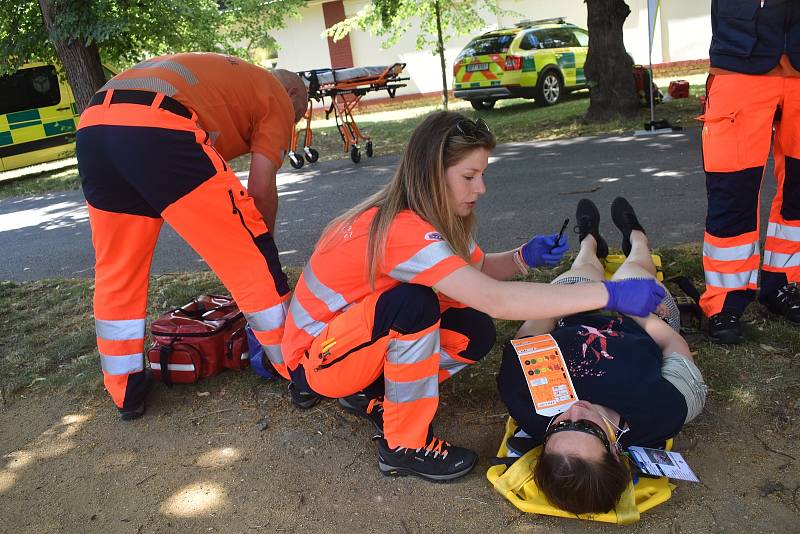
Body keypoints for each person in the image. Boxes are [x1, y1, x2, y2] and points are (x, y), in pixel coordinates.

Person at [280, 111, 668, 482]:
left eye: (482, 174)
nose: (481, 188)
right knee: (414, 306)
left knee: (473, 330)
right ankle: (402, 447)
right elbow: (496, 299)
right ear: (433, 174)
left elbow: (477, 274)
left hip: (346, 346)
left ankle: (371, 391)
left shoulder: (432, 217)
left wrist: (521, 257)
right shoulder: (404, 231)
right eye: (470, 175)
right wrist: (608, 294)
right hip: (316, 361)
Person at [77, 52, 308, 420]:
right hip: (157, 124)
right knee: (247, 251)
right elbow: (261, 188)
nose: (294, 123)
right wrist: (262, 242)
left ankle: (126, 391)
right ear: (294, 92)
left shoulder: (231, 78)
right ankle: (297, 368)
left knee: (118, 268)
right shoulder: (277, 95)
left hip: (93, 127)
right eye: (301, 113)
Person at [497, 197, 707, 514]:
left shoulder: (526, 402)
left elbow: (530, 334)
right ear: (613, 450)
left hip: (571, 310)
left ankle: (590, 242)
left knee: (583, 269)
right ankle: (636, 237)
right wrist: (636, 310)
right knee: (632, 272)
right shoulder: (663, 413)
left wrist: (564, 301)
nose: (574, 411)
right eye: (586, 428)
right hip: (644, 322)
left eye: (558, 428)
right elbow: (674, 347)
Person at [701, 1, 800, 344]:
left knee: (798, 194)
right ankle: (725, 301)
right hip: (740, 59)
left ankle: (784, 283)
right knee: (733, 190)